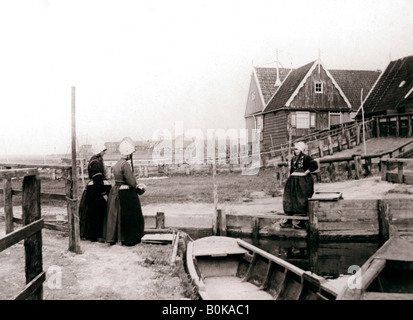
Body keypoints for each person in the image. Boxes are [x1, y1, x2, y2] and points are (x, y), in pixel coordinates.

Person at [104, 137, 146, 246]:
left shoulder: (117, 163)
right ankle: (131, 238)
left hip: (116, 190)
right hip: (126, 191)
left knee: (116, 215)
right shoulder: (125, 164)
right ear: (129, 153)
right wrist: (138, 187)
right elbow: (131, 182)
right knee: (132, 215)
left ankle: (117, 238)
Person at [280, 141, 318, 229]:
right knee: (289, 198)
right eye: (295, 149)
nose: (296, 151)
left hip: (302, 182)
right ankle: (289, 220)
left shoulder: (306, 158)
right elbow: (291, 171)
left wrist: (307, 172)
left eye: (297, 149)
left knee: (301, 200)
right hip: (293, 182)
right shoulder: (293, 159)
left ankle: (301, 222)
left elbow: (314, 164)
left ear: (301, 150)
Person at [79, 146, 111, 242]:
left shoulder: (94, 160)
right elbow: (98, 180)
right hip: (96, 191)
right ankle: (95, 235)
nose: (104, 153)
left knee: (93, 212)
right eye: (103, 151)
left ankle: (93, 235)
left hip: (93, 189)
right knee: (97, 213)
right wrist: (104, 194)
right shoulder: (96, 163)